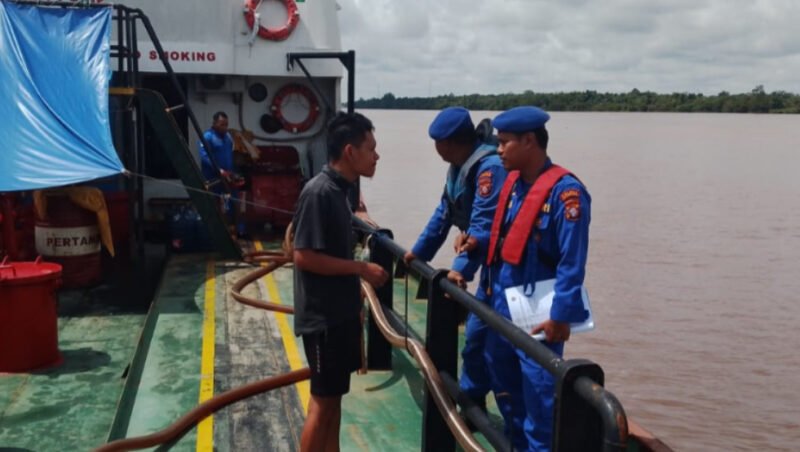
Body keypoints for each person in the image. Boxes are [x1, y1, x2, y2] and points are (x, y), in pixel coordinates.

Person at [483, 106, 591, 451]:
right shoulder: (513, 185)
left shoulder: (566, 194)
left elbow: (572, 261)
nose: (498, 150)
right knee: (504, 385)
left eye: (505, 142)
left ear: (529, 141)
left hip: (539, 317)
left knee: (540, 402)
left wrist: (561, 316)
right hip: (503, 305)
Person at [292, 111, 389, 452]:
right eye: (371, 149)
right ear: (350, 151)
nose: (376, 156)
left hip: (340, 315)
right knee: (321, 406)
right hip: (324, 321)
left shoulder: (340, 191)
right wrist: (361, 269)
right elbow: (304, 256)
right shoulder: (319, 193)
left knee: (333, 404)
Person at [403, 106, 507, 417]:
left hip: (506, 269)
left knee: (503, 352)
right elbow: (445, 213)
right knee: (474, 339)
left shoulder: (489, 169)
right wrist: (417, 254)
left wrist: (459, 272)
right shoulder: (458, 168)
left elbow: (483, 226)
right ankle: (472, 410)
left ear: (446, 143)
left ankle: (511, 430)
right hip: (490, 270)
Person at [198, 111, 244, 234]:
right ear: (214, 123)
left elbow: (230, 155)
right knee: (216, 206)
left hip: (227, 178)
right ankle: (218, 232)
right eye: (222, 124)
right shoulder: (207, 137)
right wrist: (219, 170)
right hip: (213, 179)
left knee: (233, 203)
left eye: (226, 124)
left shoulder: (228, 137)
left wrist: (233, 173)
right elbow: (204, 157)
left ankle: (237, 230)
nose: (225, 127)